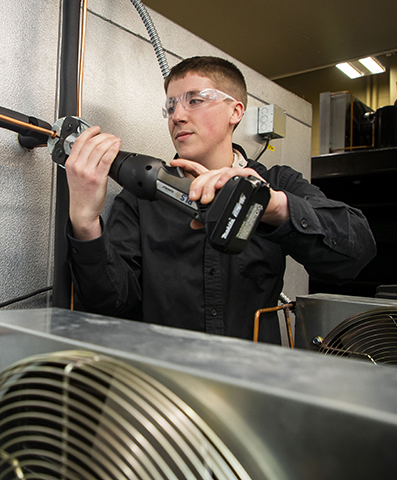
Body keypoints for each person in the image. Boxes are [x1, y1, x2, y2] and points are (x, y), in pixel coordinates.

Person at [64, 56, 376, 343]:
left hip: (250, 385)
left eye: (195, 101)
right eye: (171, 106)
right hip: (164, 389)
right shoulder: (140, 198)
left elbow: (354, 253)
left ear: (235, 111)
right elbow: (110, 305)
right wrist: (85, 221)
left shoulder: (277, 182)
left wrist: (270, 206)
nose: (178, 116)